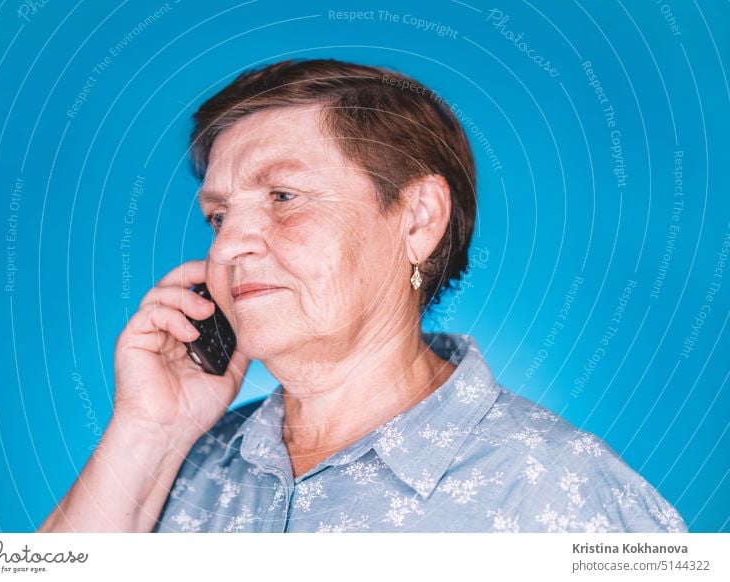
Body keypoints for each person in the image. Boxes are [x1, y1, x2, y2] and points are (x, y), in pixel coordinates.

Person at [38, 59, 687, 533]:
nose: (228, 246)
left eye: (283, 197)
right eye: (217, 216)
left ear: (417, 220)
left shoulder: (561, 493)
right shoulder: (184, 463)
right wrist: (149, 431)